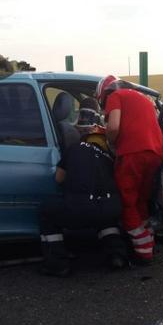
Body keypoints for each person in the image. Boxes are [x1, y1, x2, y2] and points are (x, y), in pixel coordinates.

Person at [38, 98, 127, 277]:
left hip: (82, 208)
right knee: (106, 218)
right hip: (112, 207)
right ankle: (118, 255)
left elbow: (59, 178)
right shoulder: (107, 155)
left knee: (46, 213)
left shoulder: (73, 149)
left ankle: (57, 263)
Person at [96, 75, 163, 263]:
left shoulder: (115, 97)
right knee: (141, 199)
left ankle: (143, 251)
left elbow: (114, 126)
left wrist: (110, 141)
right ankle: (148, 238)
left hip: (133, 153)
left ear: (103, 93)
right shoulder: (143, 98)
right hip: (155, 152)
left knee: (126, 201)